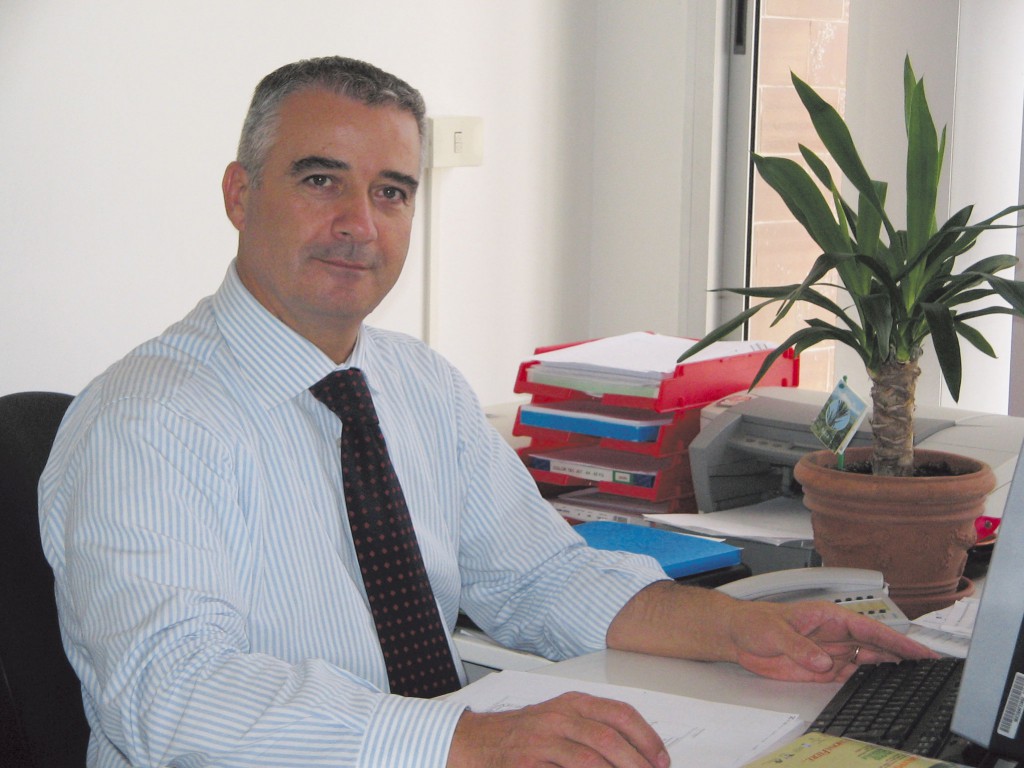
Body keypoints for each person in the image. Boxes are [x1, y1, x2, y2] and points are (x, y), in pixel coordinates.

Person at [39, 56, 933, 768]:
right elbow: (172, 693)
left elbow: (539, 577)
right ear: (240, 194)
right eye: (320, 181)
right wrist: (463, 741)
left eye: (392, 191)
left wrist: (740, 628)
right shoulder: (146, 424)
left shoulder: (418, 385)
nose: (360, 223)